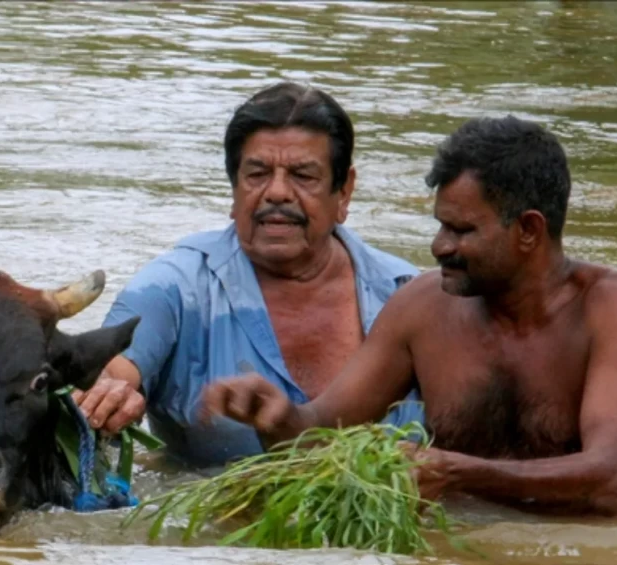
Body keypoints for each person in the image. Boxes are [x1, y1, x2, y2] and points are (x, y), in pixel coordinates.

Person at [198, 115, 617, 519]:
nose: (440, 246)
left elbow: (608, 478)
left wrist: (460, 473)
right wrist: (278, 417)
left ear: (528, 230)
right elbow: (320, 437)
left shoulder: (616, 309)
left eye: (462, 230)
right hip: (446, 562)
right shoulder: (421, 306)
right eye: (440, 225)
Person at [75, 81, 422, 467]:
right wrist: (109, 396)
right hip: (216, 517)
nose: (276, 193)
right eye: (257, 174)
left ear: (344, 193)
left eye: (303, 176)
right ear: (234, 191)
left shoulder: (411, 297)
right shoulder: (173, 288)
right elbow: (111, 373)